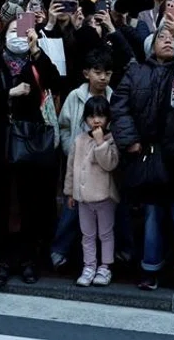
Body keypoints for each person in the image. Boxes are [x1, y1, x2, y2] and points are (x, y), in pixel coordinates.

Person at [111, 2, 174, 297]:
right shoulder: (136, 72)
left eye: (171, 35)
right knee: (153, 216)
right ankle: (149, 269)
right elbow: (119, 107)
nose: (167, 39)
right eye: (162, 36)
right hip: (150, 154)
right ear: (150, 45)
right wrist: (129, 139)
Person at [0, 14, 61, 287]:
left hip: (30, 142)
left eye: (23, 31)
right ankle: (0, 261)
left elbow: (55, 83)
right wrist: (8, 94)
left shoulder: (36, 59)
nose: (18, 35)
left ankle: (28, 259)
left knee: (31, 203)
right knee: (0, 203)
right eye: (12, 30)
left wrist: (37, 50)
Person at [52, 47, 114, 270]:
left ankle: (110, 258)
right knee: (72, 208)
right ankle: (59, 250)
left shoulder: (113, 97)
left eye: (107, 73)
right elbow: (65, 126)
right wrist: (72, 150)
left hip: (104, 165)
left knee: (107, 214)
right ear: (86, 73)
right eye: (98, 72)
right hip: (78, 163)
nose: (103, 77)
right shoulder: (75, 97)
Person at [64, 95, 120, 287]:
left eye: (101, 116)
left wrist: (100, 143)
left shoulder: (111, 139)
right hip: (83, 198)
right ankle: (89, 266)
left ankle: (105, 267)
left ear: (108, 119)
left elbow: (110, 164)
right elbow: (71, 167)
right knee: (87, 234)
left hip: (104, 196)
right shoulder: (79, 140)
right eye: (91, 116)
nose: (96, 120)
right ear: (85, 118)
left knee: (105, 233)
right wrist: (70, 192)